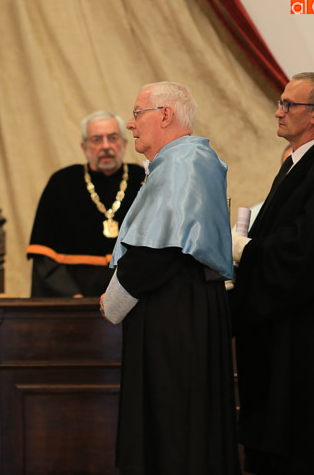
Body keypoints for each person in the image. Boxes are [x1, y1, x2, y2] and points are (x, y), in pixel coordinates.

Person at [100, 81, 240, 474]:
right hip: (185, 308)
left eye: (137, 113)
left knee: (172, 427)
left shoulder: (182, 163)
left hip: (174, 315)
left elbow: (156, 251)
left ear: (165, 115)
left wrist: (113, 301)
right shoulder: (188, 160)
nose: (130, 124)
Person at [230, 72, 314, 474]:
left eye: (288, 104)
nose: (279, 111)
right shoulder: (296, 165)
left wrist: (244, 249)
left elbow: (307, 253)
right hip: (286, 338)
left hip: (311, 345)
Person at [26, 111, 145, 297]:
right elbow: (44, 257)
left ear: (124, 143)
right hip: (74, 297)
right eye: (97, 139)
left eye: (112, 138)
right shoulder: (62, 182)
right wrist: (73, 299)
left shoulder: (142, 179)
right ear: (84, 147)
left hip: (133, 293)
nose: (106, 146)